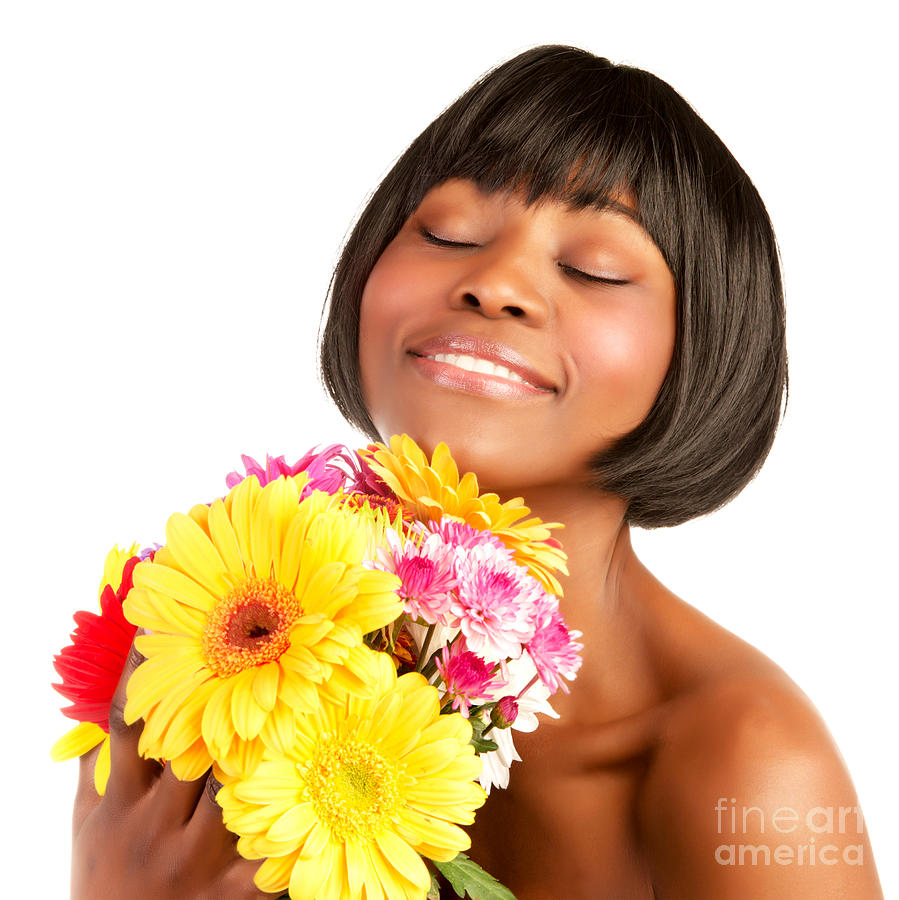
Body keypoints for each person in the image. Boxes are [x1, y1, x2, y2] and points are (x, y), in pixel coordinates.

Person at [70, 45, 884, 898]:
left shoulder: (751, 764)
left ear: (704, 351)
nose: (495, 283)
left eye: (592, 267)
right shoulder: (213, 668)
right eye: (447, 232)